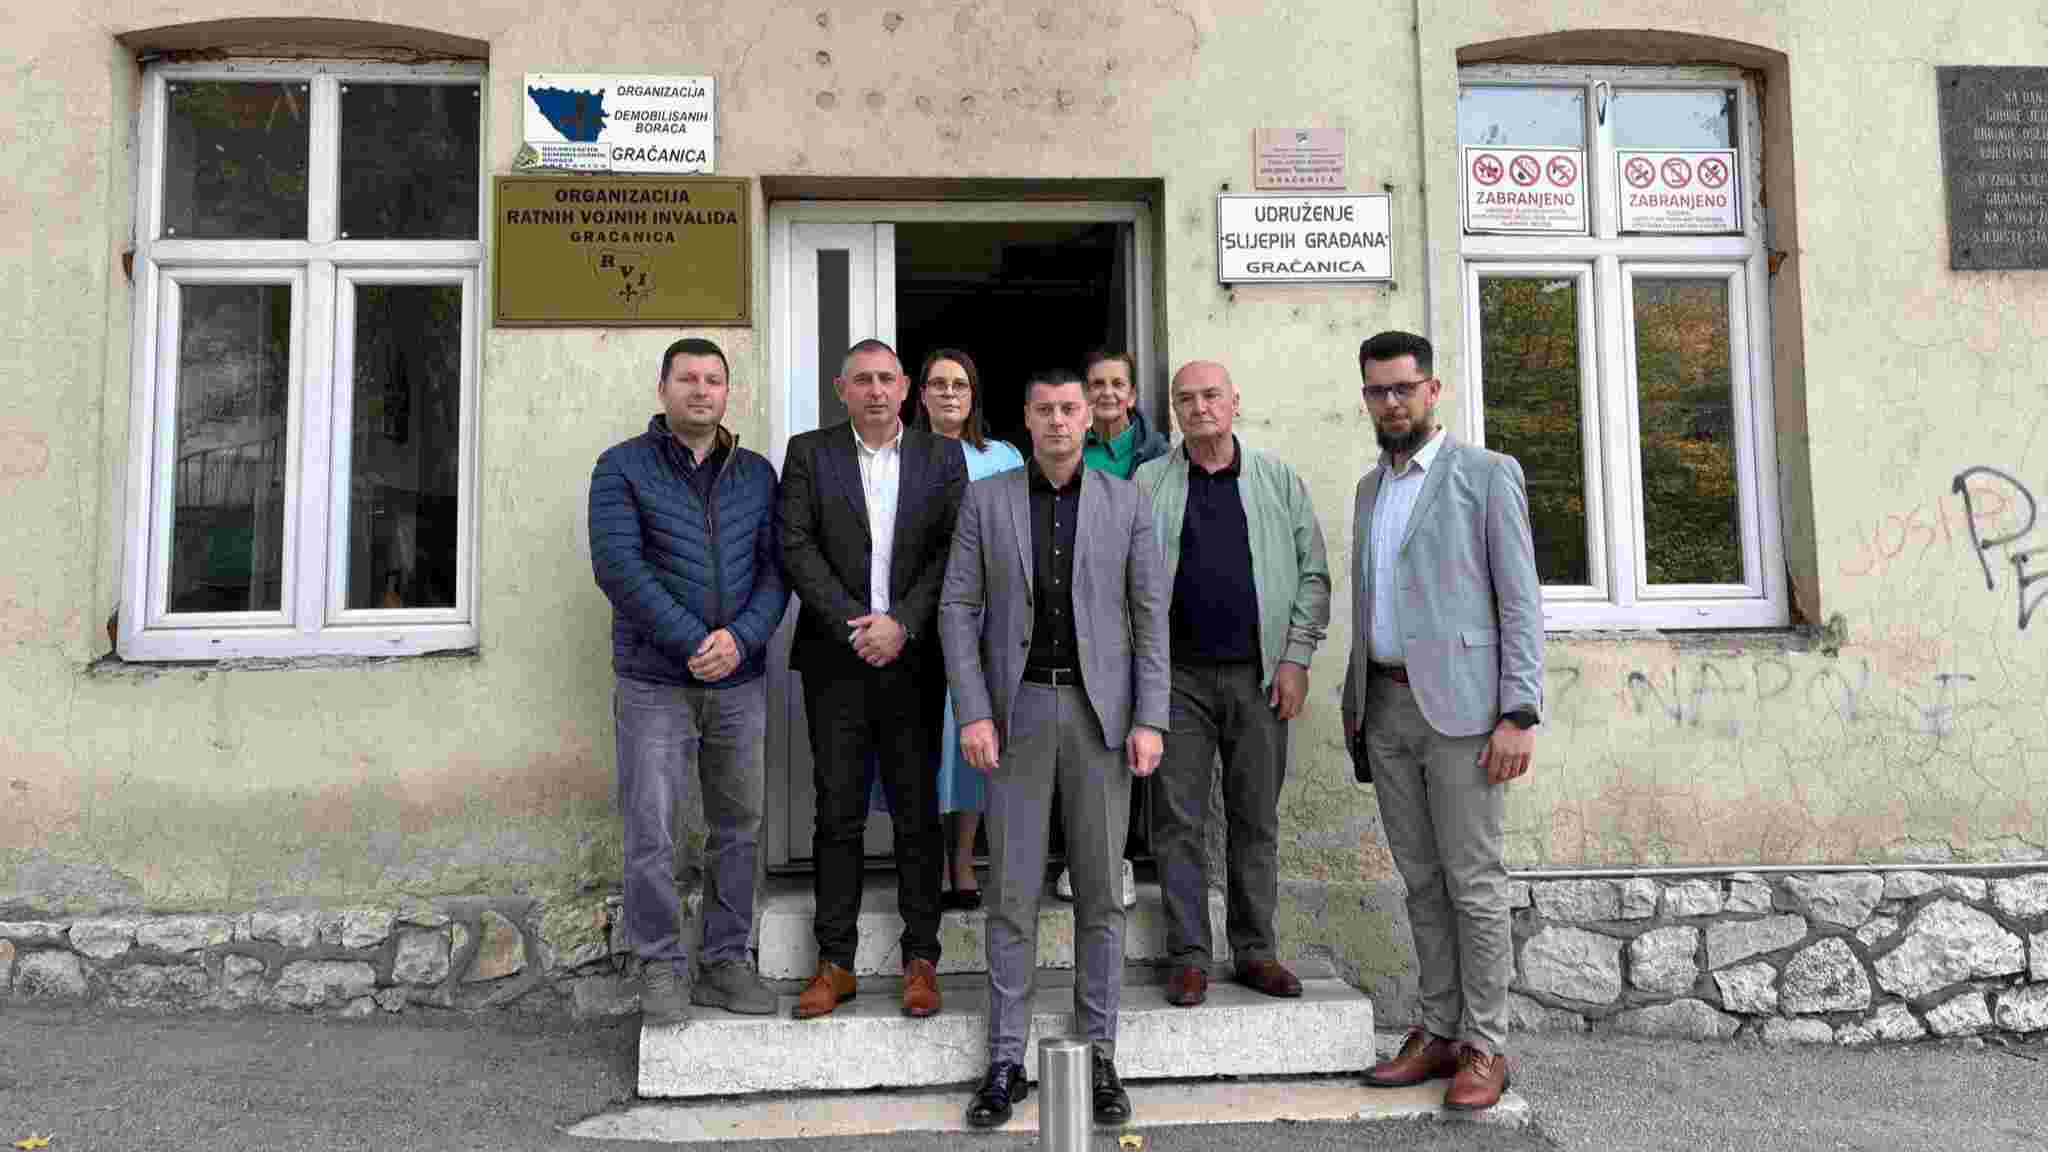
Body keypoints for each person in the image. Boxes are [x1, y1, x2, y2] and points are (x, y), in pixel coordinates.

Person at [940, 369, 1169, 1129]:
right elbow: (958, 607)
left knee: (1101, 895)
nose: (1060, 421)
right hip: (1017, 713)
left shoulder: (1126, 502)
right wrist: (974, 710)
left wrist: (1151, 718)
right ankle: (1006, 1059)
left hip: (1103, 718)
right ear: (1027, 419)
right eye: (1045, 410)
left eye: (1070, 408)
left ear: (1088, 414)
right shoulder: (987, 500)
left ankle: (1099, 1054)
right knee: (1010, 895)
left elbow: (1149, 616)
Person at [1342, 331, 1542, 1112]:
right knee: (1422, 883)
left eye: (1403, 388)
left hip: (1466, 713)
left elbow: (1519, 599)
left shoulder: (1486, 475)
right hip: (1386, 708)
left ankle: (1486, 1044)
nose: (1391, 402)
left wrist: (1518, 710)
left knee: (1475, 885)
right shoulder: (1370, 490)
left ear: (1433, 390)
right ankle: (1438, 1030)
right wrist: (1358, 706)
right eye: (1377, 391)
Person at [588, 337, 788, 1024]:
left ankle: (725, 962)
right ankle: (661, 966)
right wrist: (694, 642)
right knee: (653, 829)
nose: (702, 390)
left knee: (739, 826)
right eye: (688, 379)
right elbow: (619, 568)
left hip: (740, 680)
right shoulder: (621, 468)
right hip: (654, 682)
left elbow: (776, 571)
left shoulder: (756, 475)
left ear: (728, 392)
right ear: (663, 389)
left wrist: (741, 640)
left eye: (713, 380)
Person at [779, 338, 968, 1021]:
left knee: (918, 812)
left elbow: (954, 549)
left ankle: (922, 958)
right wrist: (856, 625)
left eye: (887, 378)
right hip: (837, 661)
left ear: (906, 386)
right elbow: (795, 544)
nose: (876, 390)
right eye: (862, 379)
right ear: (842, 389)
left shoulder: (941, 457)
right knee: (838, 813)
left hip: (914, 661)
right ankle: (835, 962)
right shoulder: (810, 453)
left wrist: (903, 624)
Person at [1132, 360, 1329, 1009]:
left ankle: (1255, 951)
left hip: (1259, 677)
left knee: (1255, 819)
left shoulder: (1276, 479)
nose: (1199, 407)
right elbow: (1126, 579)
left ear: (1234, 401)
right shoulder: (1149, 482)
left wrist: (1296, 659)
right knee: (1176, 822)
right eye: (1185, 398)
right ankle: (1189, 956)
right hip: (1176, 681)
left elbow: (1312, 575)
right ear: (1174, 410)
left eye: (1211, 395)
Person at [1053, 347, 1167, 908]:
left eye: (1117, 384)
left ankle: (1117, 856)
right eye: (1096, 384)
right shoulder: (1070, 448)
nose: (1106, 393)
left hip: (1130, 609)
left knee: (1127, 739)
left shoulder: (1156, 456)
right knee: (1075, 738)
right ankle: (1076, 856)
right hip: (1076, 612)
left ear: (1133, 393)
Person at [913, 348, 1026, 911]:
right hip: (917, 618)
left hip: (984, 619)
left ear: (973, 394)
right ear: (922, 394)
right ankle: (929, 860)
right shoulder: (904, 453)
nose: (950, 393)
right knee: (925, 743)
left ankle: (962, 860)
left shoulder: (1002, 456)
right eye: (939, 384)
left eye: (960, 384)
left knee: (973, 742)